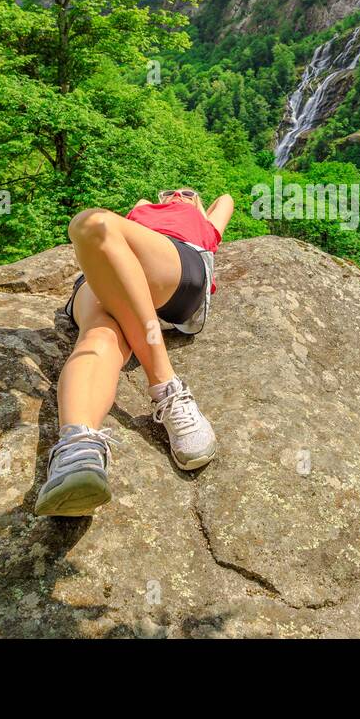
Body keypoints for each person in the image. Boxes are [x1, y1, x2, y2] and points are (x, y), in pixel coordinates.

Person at [34, 188, 233, 517]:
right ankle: (77, 450)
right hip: (108, 276)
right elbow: (132, 216)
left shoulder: (203, 220)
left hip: (175, 271)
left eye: (187, 192)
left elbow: (225, 199)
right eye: (168, 192)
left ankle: (165, 383)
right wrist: (162, 203)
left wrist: (194, 205)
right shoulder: (142, 211)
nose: (176, 195)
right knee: (100, 337)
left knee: (92, 224)